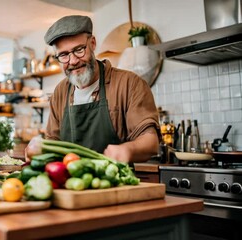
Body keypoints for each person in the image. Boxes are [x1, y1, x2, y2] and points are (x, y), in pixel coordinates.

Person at [41, 15, 159, 163]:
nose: (73, 61)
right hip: (70, 184)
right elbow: (53, 141)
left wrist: (128, 149)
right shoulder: (60, 92)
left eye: (79, 50)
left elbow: (150, 141)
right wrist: (41, 149)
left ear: (93, 43)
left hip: (115, 181)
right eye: (64, 55)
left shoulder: (129, 83)